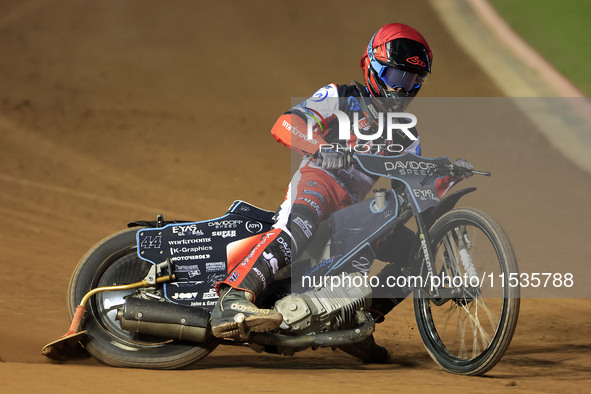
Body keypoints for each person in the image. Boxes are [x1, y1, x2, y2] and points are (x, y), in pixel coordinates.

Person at [210, 23, 472, 362]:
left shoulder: (406, 132)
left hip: (354, 210)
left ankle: (357, 320)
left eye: (412, 81)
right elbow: (286, 123)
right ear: (373, 66)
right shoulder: (341, 95)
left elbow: (412, 193)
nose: (403, 89)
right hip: (318, 182)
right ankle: (233, 298)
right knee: (299, 224)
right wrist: (320, 147)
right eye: (396, 77)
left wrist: (447, 176)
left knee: (417, 253)